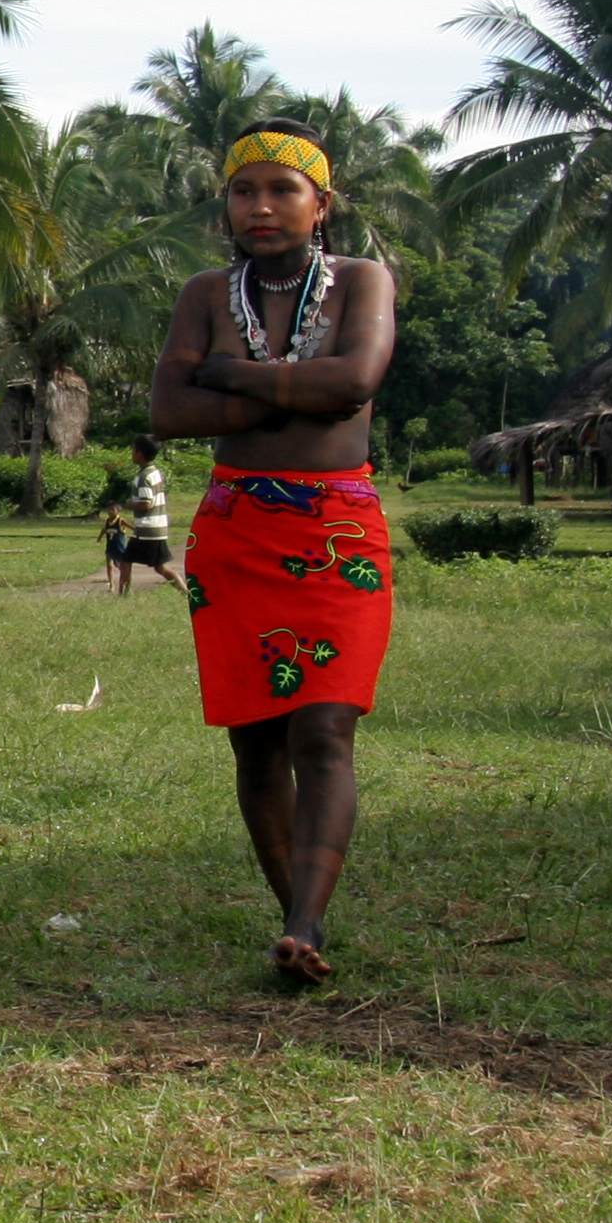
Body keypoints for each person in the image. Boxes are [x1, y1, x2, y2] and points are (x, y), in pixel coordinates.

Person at [149, 118, 398, 988]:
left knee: (324, 727)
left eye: (283, 189)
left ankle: (305, 919)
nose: (261, 206)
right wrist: (297, 397)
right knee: (256, 743)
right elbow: (171, 413)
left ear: (321, 204)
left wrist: (232, 377)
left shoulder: (363, 282)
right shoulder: (206, 295)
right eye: (244, 190)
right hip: (237, 532)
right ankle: (299, 928)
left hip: (337, 531)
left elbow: (356, 382)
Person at [120, 433, 184, 596]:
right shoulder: (156, 472)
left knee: (126, 560)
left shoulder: (143, 477)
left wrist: (129, 504)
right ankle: (187, 593)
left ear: (140, 454)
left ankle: (123, 595)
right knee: (159, 566)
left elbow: (146, 503)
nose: (132, 454)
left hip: (147, 529)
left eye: (133, 451)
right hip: (158, 527)